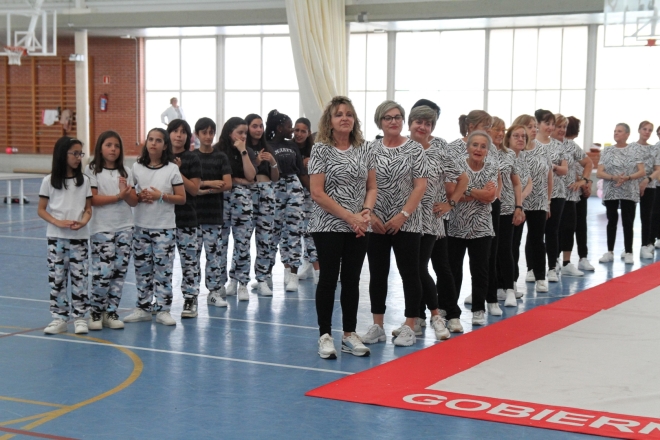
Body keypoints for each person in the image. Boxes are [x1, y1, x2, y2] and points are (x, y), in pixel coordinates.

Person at [308, 96, 376, 359]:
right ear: (330, 121)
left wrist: (365, 213)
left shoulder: (365, 148)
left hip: (358, 226)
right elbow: (317, 192)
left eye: (349, 114)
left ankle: (349, 334)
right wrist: (350, 218)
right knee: (328, 279)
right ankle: (325, 335)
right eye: (339, 114)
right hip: (328, 225)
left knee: (352, 280)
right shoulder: (321, 149)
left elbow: (372, 187)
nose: (345, 118)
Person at [361, 100, 428, 347]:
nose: (394, 121)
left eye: (398, 117)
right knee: (377, 273)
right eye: (388, 117)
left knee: (410, 272)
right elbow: (363, 184)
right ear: (380, 121)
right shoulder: (369, 149)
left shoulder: (415, 149)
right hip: (375, 222)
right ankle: (377, 325)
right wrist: (371, 216)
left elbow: (420, 186)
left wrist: (403, 215)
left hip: (407, 222)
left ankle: (410, 324)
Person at [408, 103, 466, 340]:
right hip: (405, 220)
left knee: (426, 268)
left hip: (430, 221)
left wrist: (450, 204)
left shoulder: (439, 151)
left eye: (428, 123)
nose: (422, 127)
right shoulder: (400, 148)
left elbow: (462, 179)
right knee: (411, 271)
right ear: (410, 123)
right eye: (418, 122)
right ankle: (415, 317)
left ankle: (443, 315)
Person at [124, 128, 186, 326]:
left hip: (164, 228)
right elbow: (131, 197)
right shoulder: (136, 167)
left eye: (158, 140)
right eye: (150, 139)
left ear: (165, 145)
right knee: (142, 269)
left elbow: (182, 198)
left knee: (163, 270)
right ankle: (143, 307)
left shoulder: (172, 169)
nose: (153, 143)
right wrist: (138, 196)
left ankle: (163, 309)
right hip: (141, 227)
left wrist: (161, 196)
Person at [37, 136, 93, 335]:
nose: (79, 157)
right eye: (74, 153)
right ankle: (59, 317)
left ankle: (80, 317)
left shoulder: (84, 181)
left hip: (80, 239)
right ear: (63, 154)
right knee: (57, 278)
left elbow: (88, 209)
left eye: (80, 154)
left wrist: (84, 221)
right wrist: (57, 222)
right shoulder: (49, 181)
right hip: (56, 239)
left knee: (80, 278)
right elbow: (41, 209)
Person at [85, 131, 138, 330]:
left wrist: (126, 193)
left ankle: (111, 311)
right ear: (100, 148)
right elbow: (93, 199)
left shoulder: (126, 171)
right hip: (101, 228)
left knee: (119, 271)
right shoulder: (92, 170)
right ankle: (96, 311)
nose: (113, 149)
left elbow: (134, 201)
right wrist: (118, 196)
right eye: (108, 145)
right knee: (103, 271)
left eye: (116, 146)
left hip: (124, 227)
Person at [446, 131, 498, 325]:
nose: (478, 149)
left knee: (480, 270)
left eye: (483, 146)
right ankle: (450, 309)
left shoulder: (491, 166)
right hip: (456, 225)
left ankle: (478, 309)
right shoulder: (457, 164)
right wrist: (477, 192)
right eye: (474, 145)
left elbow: (490, 196)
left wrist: (465, 190)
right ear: (467, 147)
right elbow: (452, 193)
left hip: (482, 227)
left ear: (487, 150)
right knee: (453, 269)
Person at [266, 110, 308, 292]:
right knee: (271, 234)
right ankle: (265, 277)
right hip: (274, 188)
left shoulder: (292, 146)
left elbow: (301, 172)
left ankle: (293, 276)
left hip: (293, 187)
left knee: (294, 233)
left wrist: (314, 192)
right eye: (289, 126)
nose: (292, 130)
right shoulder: (267, 144)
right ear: (279, 128)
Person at [215, 117, 257, 301]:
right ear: (229, 132)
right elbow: (220, 179)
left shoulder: (247, 151)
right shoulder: (217, 151)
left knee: (243, 243)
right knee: (220, 244)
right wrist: (238, 180)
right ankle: (220, 284)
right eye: (240, 132)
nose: (243, 136)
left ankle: (241, 283)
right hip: (221, 201)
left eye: (245, 133)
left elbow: (251, 176)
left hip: (242, 203)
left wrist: (243, 151)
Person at [192, 117, 233, 306]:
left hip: (214, 215)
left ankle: (214, 292)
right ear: (197, 134)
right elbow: (189, 184)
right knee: (191, 258)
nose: (208, 136)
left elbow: (227, 184)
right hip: (193, 216)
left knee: (214, 257)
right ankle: (191, 296)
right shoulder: (191, 157)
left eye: (211, 132)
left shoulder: (221, 157)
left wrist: (203, 190)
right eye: (204, 132)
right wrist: (209, 184)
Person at [512, 113, 552, 293]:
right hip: (517, 202)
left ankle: (540, 277)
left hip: (539, 201)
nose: (534, 130)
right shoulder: (514, 151)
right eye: (530, 127)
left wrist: (548, 202)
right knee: (514, 242)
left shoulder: (543, 149)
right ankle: (511, 280)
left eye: (535, 126)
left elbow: (549, 177)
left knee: (537, 240)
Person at [167, 119, 202, 318]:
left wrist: (177, 171)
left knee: (189, 262)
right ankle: (160, 301)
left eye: (183, 132)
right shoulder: (161, 158)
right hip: (163, 220)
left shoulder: (192, 159)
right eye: (175, 131)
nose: (178, 135)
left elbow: (194, 189)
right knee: (163, 264)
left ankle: (190, 299)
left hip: (187, 218)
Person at [597, 123, 646, 264]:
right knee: (611, 220)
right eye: (615, 131)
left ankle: (629, 251)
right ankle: (610, 251)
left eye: (619, 131)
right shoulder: (607, 151)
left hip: (629, 190)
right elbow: (600, 172)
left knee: (627, 221)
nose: (616, 133)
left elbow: (642, 171)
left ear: (627, 134)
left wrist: (628, 178)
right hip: (611, 190)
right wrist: (614, 177)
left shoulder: (635, 150)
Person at [554, 115, 593, 276]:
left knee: (569, 227)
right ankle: (552, 261)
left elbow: (588, 163)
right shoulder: (544, 145)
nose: (562, 130)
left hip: (570, 194)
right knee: (553, 229)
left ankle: (566, 262)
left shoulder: (571, 145)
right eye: (559, 126)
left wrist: (584, 180)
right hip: (552, 195)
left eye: (564, 127)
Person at [245, 113, 279, 296]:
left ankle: (263, 279)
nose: (258, 130)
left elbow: (276, 178)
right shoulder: (243, 148)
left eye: (260, 126)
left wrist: (272, 162)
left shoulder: (268, 147)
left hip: (266, 192)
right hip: (247, 192)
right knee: (243, 239)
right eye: (254, 126)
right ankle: (238, 280)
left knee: (265, 238)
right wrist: (256, 162)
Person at [493, 123, 525, 308]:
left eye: (502, 130)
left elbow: (517, 183)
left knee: (505, 249)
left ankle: (510, 288)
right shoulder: (481, 152)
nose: (499, 133)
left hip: (506, 208)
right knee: (489, 252)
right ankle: (492, 288)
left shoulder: (509, 154)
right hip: (485, 209)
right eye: (496, 129)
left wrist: (518, 206)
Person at [535, 109, 568, 283]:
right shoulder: (531, 144)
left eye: (552, 124)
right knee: (535, 232)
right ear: (538, 124)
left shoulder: (558, 145)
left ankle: (552, 267)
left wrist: (552, 167)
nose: (550, 127)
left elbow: (564, 169)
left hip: (557, 193)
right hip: (535, 194)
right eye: (546, 123)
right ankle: (532, 268)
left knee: (552, 230)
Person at [504, 125, 532, 305]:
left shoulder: (523, 158)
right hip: (504, 206)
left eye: (523, 136)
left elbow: (528, 183)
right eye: (516, 136)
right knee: (502, 247)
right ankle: (499, 285)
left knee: (514, 245)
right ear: (508, 138)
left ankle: (511, 283)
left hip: (518, 206)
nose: (521, 139)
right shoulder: (504, 155)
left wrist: (519, 202)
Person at [293, 117, 320, 284]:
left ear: (309, 133)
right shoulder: (289, 147)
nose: (299, 134)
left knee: (309, 230)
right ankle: (303, 264)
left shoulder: (315, 149)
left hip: (311, 193)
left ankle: (315, 266)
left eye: (303, 131)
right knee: (296, 231)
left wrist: (311, 163)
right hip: (292, 194)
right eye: (296, 130)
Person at [630, 121, 658, 259]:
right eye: (645, 129)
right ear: (639, 130)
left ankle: (645, 245)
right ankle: (627, 248)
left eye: (650, 130)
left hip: (649, 186)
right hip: (631, 186)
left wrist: (647, 180)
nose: (647, 132)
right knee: (629, 217)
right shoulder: (630, 147)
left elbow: (657, 169)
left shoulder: (654, 149)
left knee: (647, 217)